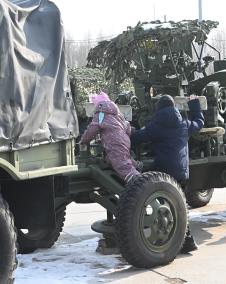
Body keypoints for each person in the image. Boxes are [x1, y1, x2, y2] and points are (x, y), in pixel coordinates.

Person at [131, 94, 204, 253]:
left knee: (167, 205)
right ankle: (188, 242)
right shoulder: (183, 124)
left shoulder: (155, 126)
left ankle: (185, 241)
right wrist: (194, 103)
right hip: (181, 173)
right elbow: (199, 122)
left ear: (158, 109)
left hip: (163, 173)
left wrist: (124, 129)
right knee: (180, 207)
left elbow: (136, 138)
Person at [80, 92, 141, 183]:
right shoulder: (117, 113)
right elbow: (127, 126)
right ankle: (137, 165)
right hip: (124, 139)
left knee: (122, 167)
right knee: (118, 158)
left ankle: (139, 182)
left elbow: (93, 129)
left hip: (113, 141)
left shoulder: (101, 114)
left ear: (98, 104)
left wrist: (83, 141)